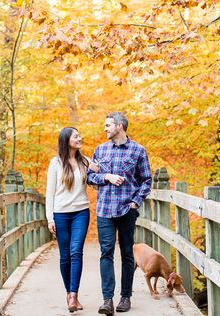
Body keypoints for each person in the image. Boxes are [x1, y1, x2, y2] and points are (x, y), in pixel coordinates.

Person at [88, 112, 152, 314]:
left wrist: (135, 202)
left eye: (108, 125)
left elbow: (146, 180)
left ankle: (125, 297)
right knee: (106, 252)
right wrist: (106, 176)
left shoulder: (138, 150)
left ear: (120, 126)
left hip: (127, 209)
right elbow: (90, 176)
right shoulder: (100, 150)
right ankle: (107, 300)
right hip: (105, 209)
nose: (105, 129)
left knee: (126, 253)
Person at [45, 127, 98, 313]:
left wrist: (105, 174)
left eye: (79, 135)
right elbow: (49, 193)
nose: (79, 138)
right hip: (60, 214)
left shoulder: (85, 161)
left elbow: (100, 173)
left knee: (76, 252)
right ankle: (69, 292)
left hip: (81, 213)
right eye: (76, 136)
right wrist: (49, 218)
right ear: (66, 140)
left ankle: (74, 295)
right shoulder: (56, 163)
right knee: (65, 255)